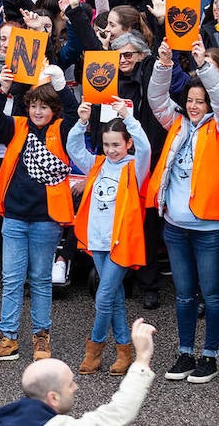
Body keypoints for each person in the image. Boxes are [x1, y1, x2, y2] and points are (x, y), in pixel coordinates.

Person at [0, 73, 78, 364]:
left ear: (53, 109)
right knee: (11, 279)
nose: (37, 111)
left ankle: (41, 338)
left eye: (44, 106)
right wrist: (4, 90)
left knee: (41, 280)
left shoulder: (62, 129)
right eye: (33, 105)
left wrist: (61, 86)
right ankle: (7, 339)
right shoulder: (18, 126)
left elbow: (73, 114)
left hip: (46, 218)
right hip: (15, 216)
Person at [146, 39, 219, 383]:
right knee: (183, 295)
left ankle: (209, 357)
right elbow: (155, 99)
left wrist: (205, 68)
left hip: (211, 226)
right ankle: (185, 353)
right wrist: (164, 64)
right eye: (191, 101)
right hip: (175, 225)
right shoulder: (178, 123)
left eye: (201, 101)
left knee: (211, 294)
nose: (194, 106)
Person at [68, 102, 152, 377]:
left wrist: (129, 118)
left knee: (103, 297)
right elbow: (74, 149)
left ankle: (94, 351)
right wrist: (81, 122)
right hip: (98, 240)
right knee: (113, 296)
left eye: (117, 144)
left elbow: (146, 147)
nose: (111, 150)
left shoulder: (134, 166)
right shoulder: (99, 164)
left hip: (121, 243)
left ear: (128, 143)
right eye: (106, 144)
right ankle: (124, 351)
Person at [0, 318, 158, 426]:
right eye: (69, 384)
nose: (75, 387)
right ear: (53, 397)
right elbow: (117, 414)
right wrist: (142, 358)